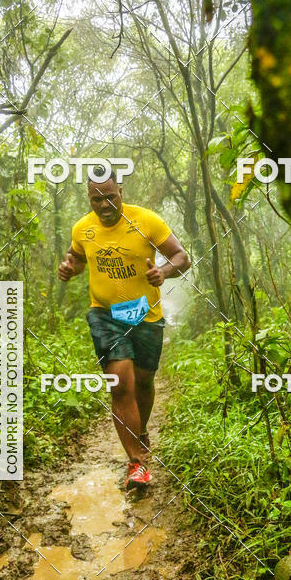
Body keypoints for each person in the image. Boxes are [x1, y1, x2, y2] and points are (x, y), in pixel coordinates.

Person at [58, 170, 191, 489]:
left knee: (144, 381)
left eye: (110, 196)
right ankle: (137, 463)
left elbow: (181, 257)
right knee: (121, 382)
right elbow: (76, 258)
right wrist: (69, 268)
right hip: (104, 314)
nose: (104, 204)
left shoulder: (146, 221)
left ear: (120, 190)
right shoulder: (82, 228)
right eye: (96, 199)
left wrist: (163, 271)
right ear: (89, 198)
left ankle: (141, 431)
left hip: (144, 313)